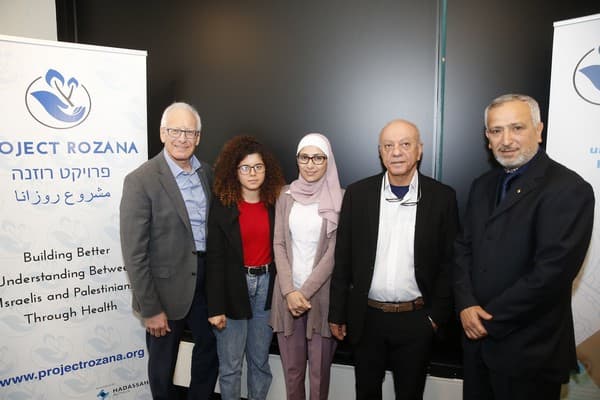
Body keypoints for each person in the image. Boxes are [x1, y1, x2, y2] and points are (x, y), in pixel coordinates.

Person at [453, 93, 595, 400]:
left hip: (529, 353)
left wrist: (487, 319)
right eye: (496, 130)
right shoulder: (482, 185)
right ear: (487, 137)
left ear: (539, 130)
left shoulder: (569, 189)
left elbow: (552, 273)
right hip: (477, 349)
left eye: (517, 128)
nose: (506, 139)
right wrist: (465, 304)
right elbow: (462, 249)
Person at [328, 120, 459, 400]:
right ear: (380, 152)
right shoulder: (357, 194)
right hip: (367, 318)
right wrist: (337, 312)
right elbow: (343, 258)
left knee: (410, 394)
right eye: (389, 145)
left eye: (405, 144)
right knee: (366, 393)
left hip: (417, 320)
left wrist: (435, 318)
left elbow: (450, 265)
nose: (396, 152)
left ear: (419, 150)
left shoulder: (442, 198)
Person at [119, 102, 218, 399]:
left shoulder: (208, 175)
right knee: (163, 364)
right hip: (164, 290)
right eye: (175, 130)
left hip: (206, 284)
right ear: (163, 133)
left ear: (198, 137)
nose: (182, 138)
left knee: (210, 351)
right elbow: (134, 252)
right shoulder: (141, 180)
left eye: (189, 131)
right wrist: (150, 308)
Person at [205, 136, 285, 400]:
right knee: (230, 367)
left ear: (267, 169)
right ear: (234, 171)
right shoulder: (222, 204)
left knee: (260, 363)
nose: (252, 173)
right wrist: (215, 307)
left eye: (258, 167)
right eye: (245, 167)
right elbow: (214, 259)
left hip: (267, 290)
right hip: (232, 289)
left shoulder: (276, 202)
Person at [270, 133, 344, 400]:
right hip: (287, 296)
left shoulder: (340, 198)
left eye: (318, 157)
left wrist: (306, 291)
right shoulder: (284, 195)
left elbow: (335, 253)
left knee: (319, 375)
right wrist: (290, 291)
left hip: (321, 298)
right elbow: (278, 243)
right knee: (292, 371)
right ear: (297, 160)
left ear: (328, 161)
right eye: (305, 157)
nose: (310, 164)